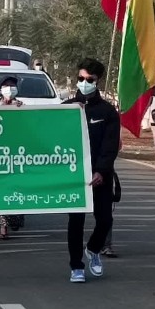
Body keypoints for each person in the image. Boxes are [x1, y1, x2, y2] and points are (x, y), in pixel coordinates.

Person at [59, 59, 120, 283]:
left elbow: (110, 145)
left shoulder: (108, 112)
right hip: (74, 176)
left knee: (105, 220)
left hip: (100, 176)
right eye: (81, 78)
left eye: (89, 80)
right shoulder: (66, 108)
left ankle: (93, 249)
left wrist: (101, 171)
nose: (84, 83)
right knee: (76, 222)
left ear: (97, 81)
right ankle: (76, 266)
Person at [0, 75, 25, 240]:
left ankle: (15, 220)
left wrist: (21, 111)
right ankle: (3, 227)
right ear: (0, 90)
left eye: (12, 85)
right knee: (2, 189)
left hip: (17, 154)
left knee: (17, 188)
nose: (9, 88)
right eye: (6, 85)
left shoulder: (21, 106)